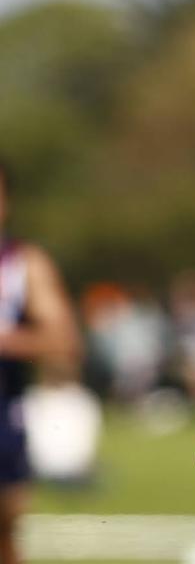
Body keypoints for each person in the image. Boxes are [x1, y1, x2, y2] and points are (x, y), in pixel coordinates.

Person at [0, 161, 82, 564]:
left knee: (4, 534)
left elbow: (62, 338)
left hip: (3, 418)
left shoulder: (23, 264)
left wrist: (7, 341)